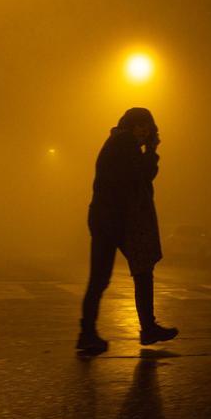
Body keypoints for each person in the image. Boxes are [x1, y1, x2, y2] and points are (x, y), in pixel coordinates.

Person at [77, 108, 179, 353]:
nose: (147, 133)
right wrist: (152, 152)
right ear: (135, 126)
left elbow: (141, 177)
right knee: (134, 271)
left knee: (108, 277)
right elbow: (143, 176)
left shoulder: (119, 142)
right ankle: (143, 329)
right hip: (115, 219)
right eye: (145, 127)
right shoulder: (124, 143)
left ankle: (90, 333)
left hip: (110, 218)